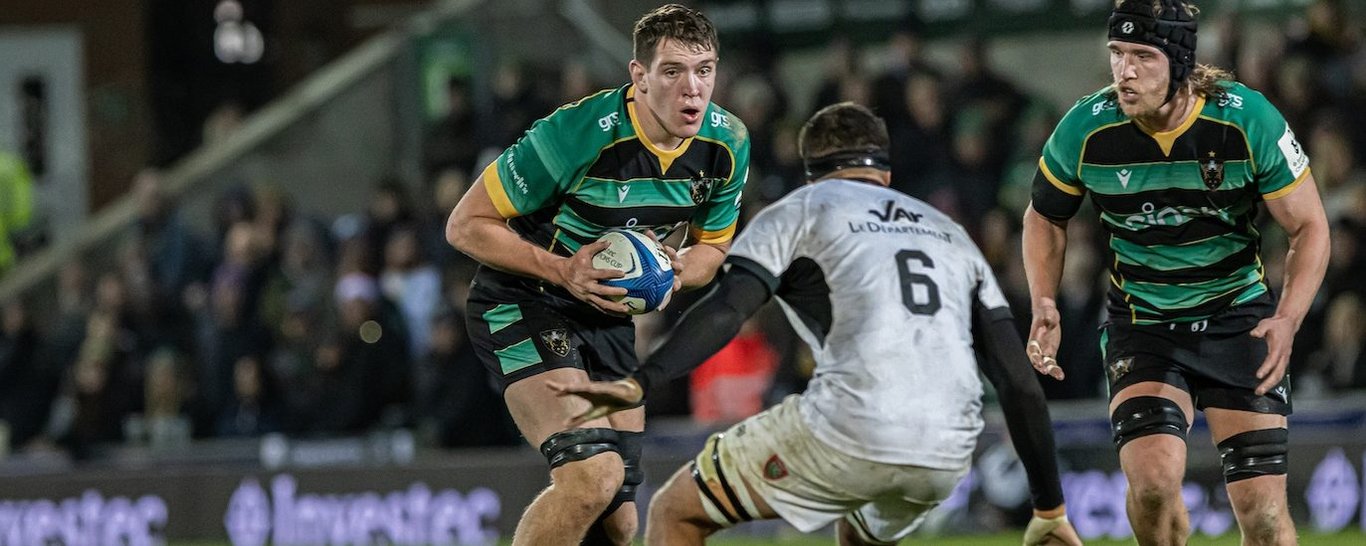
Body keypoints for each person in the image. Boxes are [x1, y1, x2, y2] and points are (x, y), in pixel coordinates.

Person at [555, 102, 1080, 546]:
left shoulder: (800, 210)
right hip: (946, 450)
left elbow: (727, 310)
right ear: (886, 176)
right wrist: (1050, 509)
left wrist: (642, 381)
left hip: (852, 423)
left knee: (676, 510)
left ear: (812, 173)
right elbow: (1017, 381)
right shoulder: (950, 235)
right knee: (859, 528)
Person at [1021, 1, 1331, 544]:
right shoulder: (1085, 128)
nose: (1125, 71)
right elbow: (1044, 216)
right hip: (1145, 325)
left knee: (1261, 513)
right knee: (1153, 485)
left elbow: (1310, 227)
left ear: (1179, 62)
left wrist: (1288, 317)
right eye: (1117, 54)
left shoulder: (1246, 119)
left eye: (1143, 56)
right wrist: (1044, 299)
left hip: (1238, 319)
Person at [444, 4, 749, 546]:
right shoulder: (577, 133)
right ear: (639, 76)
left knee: (622, 519)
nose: (692, 90)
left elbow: (713, 248)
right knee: (591, 478)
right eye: (673, 71)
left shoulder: (727, 144)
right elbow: (465, 225)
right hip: (521, 302)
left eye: (704, 70)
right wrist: (562, 268)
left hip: (607, 317)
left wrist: (672, 273)